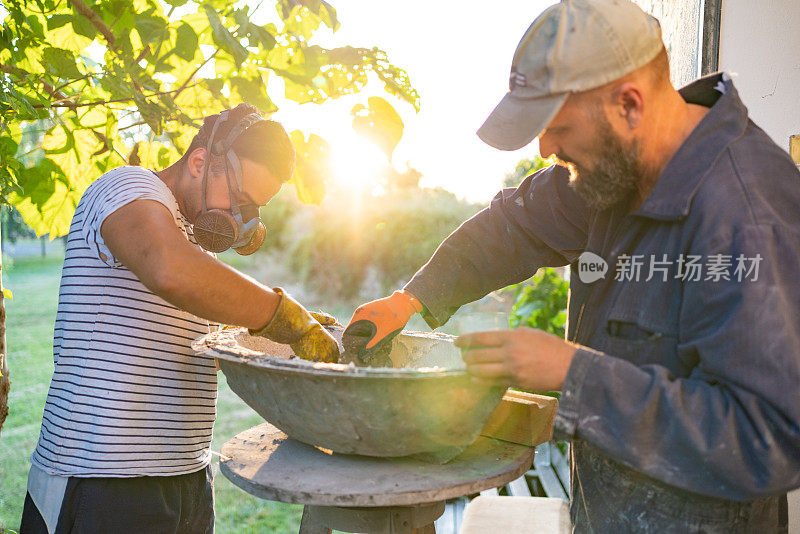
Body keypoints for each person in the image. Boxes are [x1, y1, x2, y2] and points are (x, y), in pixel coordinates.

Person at [343, 0, 800, 531]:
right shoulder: (619, 163)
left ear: (628, 104)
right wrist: (411, 300)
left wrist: (573, 374)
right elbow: (515, 225)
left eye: (556, 127)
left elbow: (771, 437)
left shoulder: (745, 215)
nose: (543, 148)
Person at [20, 103, 339, 533]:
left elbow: (181, 339)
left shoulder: (196, 249)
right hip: (101, 478)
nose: (241, 223)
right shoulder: (127, 187)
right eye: (240, 201)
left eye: (253, 211)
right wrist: (283, 315)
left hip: (187, 477)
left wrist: (267, 336)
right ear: (200, 161)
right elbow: (168, 268)